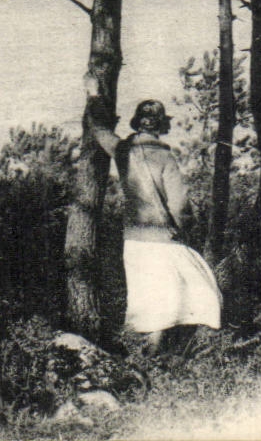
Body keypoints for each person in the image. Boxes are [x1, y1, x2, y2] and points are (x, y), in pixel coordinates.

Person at [89, 98, 221, 358]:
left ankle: (148, 358)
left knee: (149, 301)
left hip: (134, 240)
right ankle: (185, 355)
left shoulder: (122, 150)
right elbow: (180, 204)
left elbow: (100, 132)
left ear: (137, 122)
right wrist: (184, 227)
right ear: (161, 125)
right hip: (162, 239)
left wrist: (94, 96)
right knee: (204, 291)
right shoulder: (164, 156)